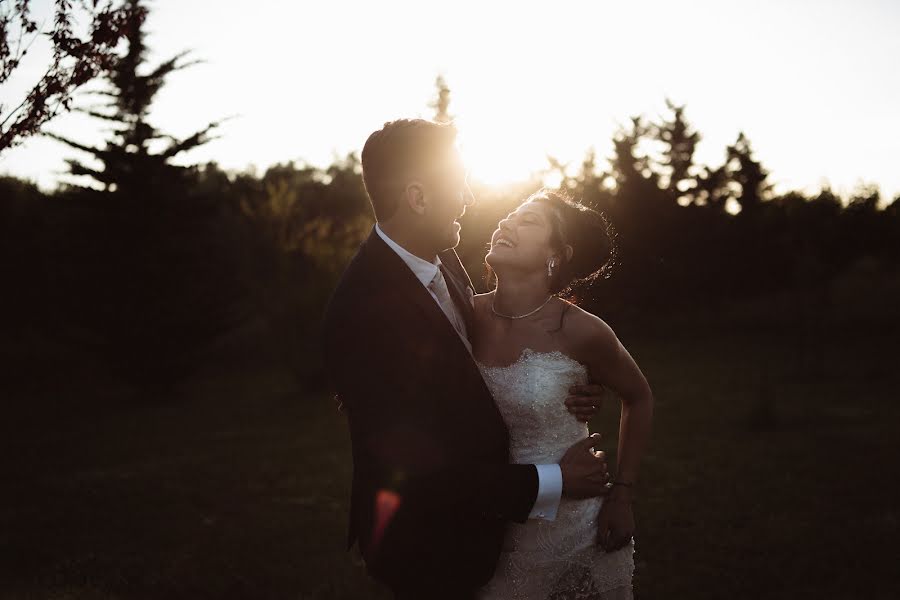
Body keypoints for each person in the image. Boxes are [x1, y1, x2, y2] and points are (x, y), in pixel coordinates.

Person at [321, 118, 614, 600]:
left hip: (489, 537)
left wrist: (558, 386)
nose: (469, 200)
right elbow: (421, 473)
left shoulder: (440, 256)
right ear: (418, 197)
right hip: (431, 550)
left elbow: (476, 368)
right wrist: (556, 479)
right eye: (459, 185)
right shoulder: (361, 313)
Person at [473, 189, 655, 599]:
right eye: (508, 215)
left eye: (528, 221)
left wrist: (622, 494)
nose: (506, 223)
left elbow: (640, 397)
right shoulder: (464, 314)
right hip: (491, 518)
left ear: (557, 254)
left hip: (576, 527)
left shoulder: (583, 330)